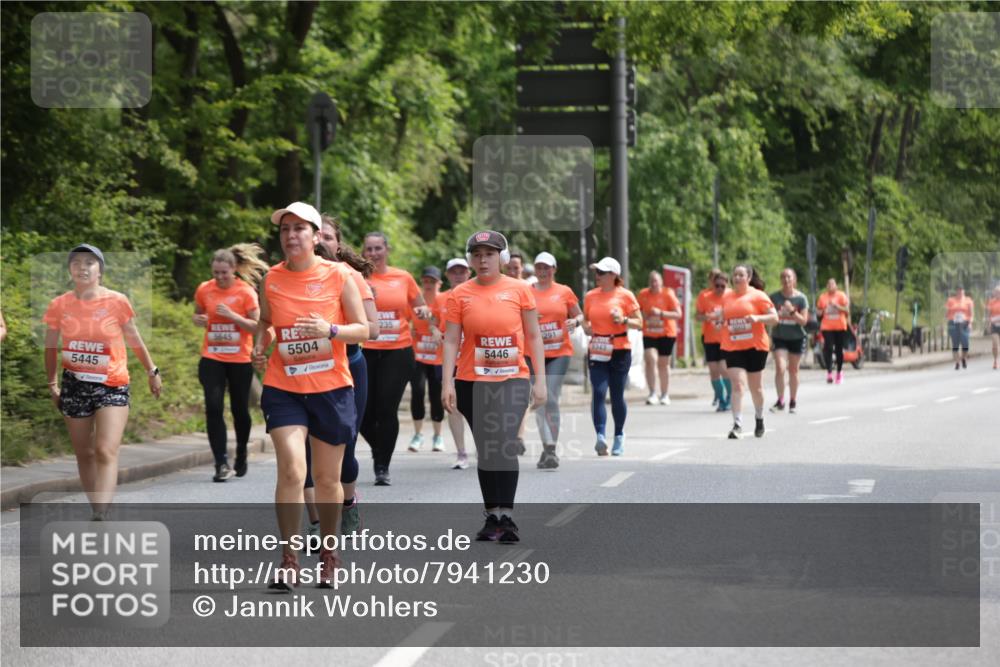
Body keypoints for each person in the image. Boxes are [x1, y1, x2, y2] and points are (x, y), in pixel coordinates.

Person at [253, 202, 369, 589]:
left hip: (332, 388)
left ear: (317, 236)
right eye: (285, 229)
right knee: (291, 470)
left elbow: (364, 330)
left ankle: (329, 554)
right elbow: (268, 321)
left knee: (326, 478)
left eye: (299, 228)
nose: (290, 235)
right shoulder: (270, 278)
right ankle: (289, 559)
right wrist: (260, 342)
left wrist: (330, 329)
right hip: (284, 386)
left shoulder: (339, 275)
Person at [44, 244, 162, 520]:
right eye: (76, 262)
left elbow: (133, 338)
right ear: (70, 270)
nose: (82, 267)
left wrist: (151, 371)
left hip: (113, 383)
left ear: (100, 271)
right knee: (84, 453)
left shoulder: (117, 301)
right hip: (74, 384)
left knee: (105, 449)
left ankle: (101, 509)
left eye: (89, 262)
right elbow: (50, 348)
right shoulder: (59, 305)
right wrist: (52, 385)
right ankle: (96, 503)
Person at [442, 231, 545, 544]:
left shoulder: (520, 290)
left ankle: (508, 517)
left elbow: (534, 335)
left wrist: (540, 380)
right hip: (473, 380)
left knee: (504, 442)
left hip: (512, 378)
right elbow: (450, 340)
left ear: (501, 257)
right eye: (477, 254)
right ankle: (492, 515)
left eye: (489, 254)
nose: (483, 259)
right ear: (471, 258)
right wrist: (447, 382)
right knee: (487, 450)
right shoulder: (459, 294)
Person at [300, 215, 379, 544]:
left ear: (337, 243)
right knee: (303, 451)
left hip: (349, 367)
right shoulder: (294, 276)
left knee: (342, 449)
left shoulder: (350, 277)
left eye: (328, 238)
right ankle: (318, 524)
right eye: (318, 237)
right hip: (306, 370)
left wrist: (333, 330)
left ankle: (348, 503)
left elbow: (373, 329)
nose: (321, 243)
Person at [361, 232, 431, 486]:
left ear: (387, 250)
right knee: (363, 413)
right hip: (365, 350)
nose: (373, 253)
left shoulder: (403, 277)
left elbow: (421, 308)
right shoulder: (356, 277)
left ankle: (382, 466)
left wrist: (424, 312)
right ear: (363, 251)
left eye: (378, 248)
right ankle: (380, 448)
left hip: (398, 352)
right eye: (369, 248)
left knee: (386, 408)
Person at [193, 244, 267, 482]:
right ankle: (221, 462)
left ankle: (242, 453)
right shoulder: (205, 289)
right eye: (216, 273)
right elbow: (198, 314)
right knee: (213, 408)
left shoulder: (245, 292)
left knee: (239, 411)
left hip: (239, 359)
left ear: (234, 269)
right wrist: (200, 319)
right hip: (212, 357)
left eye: (224, 273)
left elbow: (257, 326)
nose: (220, 277)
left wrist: (233, 316)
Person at [582, 257, 642, 456]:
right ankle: (600, 436)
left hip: (619, 348)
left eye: (601, 272)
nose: (597, 275)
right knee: (598, 392)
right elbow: (586, 322)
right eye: (596, 271)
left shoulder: (625, 295)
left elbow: (640, 323)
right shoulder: (590, 296)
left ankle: (618, 435)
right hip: (598, 347)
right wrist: (586, 328)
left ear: (613, 275)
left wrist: (623, 319)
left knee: (616, 395)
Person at [531, 252, 582, 469]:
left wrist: (575, 322)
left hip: (559, 352)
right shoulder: (527, 291)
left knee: (550, 396)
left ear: (554, 269)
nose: (543, 271)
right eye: (539, 267)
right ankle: (547, 447)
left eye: (547, 268)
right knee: (539, 399)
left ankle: (551, 449)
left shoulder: (564, 291)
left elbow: (579, 315)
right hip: (534, 353)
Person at [719, 264, 778, 439]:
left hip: (755, 346)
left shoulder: (758, 296)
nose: (737, 278)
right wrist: (720, 322)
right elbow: (724, 317)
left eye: (741, 275)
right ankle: (737, 424)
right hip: (733, 346)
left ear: (749, 277)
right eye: (735, 275)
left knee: (756, 388)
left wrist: (757, 318)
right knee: (737, 385)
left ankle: (759, 418)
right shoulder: (727, 296)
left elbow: (775, 318)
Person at [408, 266, 445, 453]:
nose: (429, 285)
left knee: (436, 395)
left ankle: (438, 436)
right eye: (426, 281)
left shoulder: (444, 300)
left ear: (440, 283)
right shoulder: (416, 302)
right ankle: (418, 434)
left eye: (433, 281)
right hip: (419, 355)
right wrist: (410, 329)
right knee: (418, 391)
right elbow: (405, 320)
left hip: (438, 358)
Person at [443, 258, 472, 469]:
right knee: (453, 407)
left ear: (468, 273)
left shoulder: (477, 294)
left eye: (462, 271)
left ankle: (483, 444)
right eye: (454, 272)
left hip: (474, 359)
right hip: (450, 359)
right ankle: (461, 452)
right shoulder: (440, 298)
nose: (458, 275)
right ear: (447, 275)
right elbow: (432, 324)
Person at [637, 270, 681, 405]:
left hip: (666, 333)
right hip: (649, 332)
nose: (654, 283)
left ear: (661, 282)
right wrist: (643, 316)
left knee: (663, 364)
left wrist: (661, 313)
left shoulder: (668, 294)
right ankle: (652, 393)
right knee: (650, 359)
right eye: (651, 281)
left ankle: (665, 394)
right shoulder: (643, 294)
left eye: (656, 281)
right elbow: (637, 311)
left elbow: (678, 314)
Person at [768, 268, 809, 414]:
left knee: (793, 370)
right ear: (781, 280)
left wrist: (792, 311)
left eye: (789, 277)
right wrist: (777, 315)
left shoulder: (801, 298)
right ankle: (780, 400)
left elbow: (804, 321)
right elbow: (769, 320)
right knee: (780, 367)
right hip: (780, 337)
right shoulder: (774, 297)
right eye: (784, 277)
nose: (786, 280)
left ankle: (793, 400)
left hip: (796, 337)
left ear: (794, 280)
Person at [695, 270, 731, 411]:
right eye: (717, 285)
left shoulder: (731, 296)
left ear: (727, 285)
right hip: (710, 338)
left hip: (726, 339)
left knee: (724, 368)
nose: (720, 289)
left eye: (723, 286)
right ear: (712, 284)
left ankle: (729, 397)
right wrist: (707, 317)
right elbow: (697, 316)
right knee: (714, 371)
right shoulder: (705, 296)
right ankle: (720, 398)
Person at [816, 278, 850, 384]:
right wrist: (822, 311)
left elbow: (847, 310)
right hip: (827, 327)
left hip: (840, 326)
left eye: (833, 284)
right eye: (829, 284)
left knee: (839, 350)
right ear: (827, 286)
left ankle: (839, 372)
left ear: (836, 286)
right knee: (828, 348)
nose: (831, 286)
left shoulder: (841, 296)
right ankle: (829, 373)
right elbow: (818, 312)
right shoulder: (823, 297)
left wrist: (837, 306)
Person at [945, 286, 974, 370]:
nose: (960, 293)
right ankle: (957, 362)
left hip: (964, 323)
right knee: (955, 343)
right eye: (958, 291)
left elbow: (971, 314)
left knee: (965, 343)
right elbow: (947, 313)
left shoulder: (968, 300)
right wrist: (947, 315)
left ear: (964, 292)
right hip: (953, 323)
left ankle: (963, 358)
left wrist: (970, 323)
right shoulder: (951, 300)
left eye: (961, 291)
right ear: (956, 292)